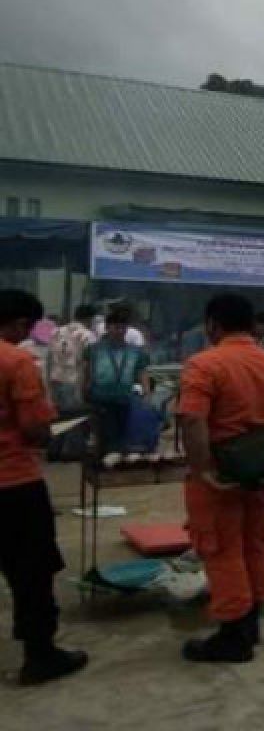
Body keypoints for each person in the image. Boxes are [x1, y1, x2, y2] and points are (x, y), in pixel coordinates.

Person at [176, 294, 264, 663]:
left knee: (221, 549)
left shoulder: (204, 364)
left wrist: (203, 471)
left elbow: (193, 421)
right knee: (255, 545)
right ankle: (251, 625)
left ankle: (233, 637)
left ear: (212, 325)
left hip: (223, 476)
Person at [0, 290, 89, 685]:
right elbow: (35, 428)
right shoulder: (16, 360)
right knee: (32, 570)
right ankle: (40, 655)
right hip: (13, 482)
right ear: (19, 323)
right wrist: (47, 435)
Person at [82, 303, 150, 456]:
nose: (119, 331)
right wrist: (84, 389)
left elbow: (142, 372)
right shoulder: (94, 350)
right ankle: (103, 463)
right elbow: (87, 371)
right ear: (107, 328)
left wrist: (146, 393)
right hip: (100, 398)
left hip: (124, 398)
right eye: (115, 327)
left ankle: (117, 463)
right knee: (104, 435)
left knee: (122, 434)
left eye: (122, 328)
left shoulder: (135, 352)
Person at [46, 303, 97, 412]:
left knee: (57, 418)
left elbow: (48, 358)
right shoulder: (88, 335)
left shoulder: (56, 331)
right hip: (74, 381)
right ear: (89, 319)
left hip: (55, 378)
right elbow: (89, 362)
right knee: (72, 419)